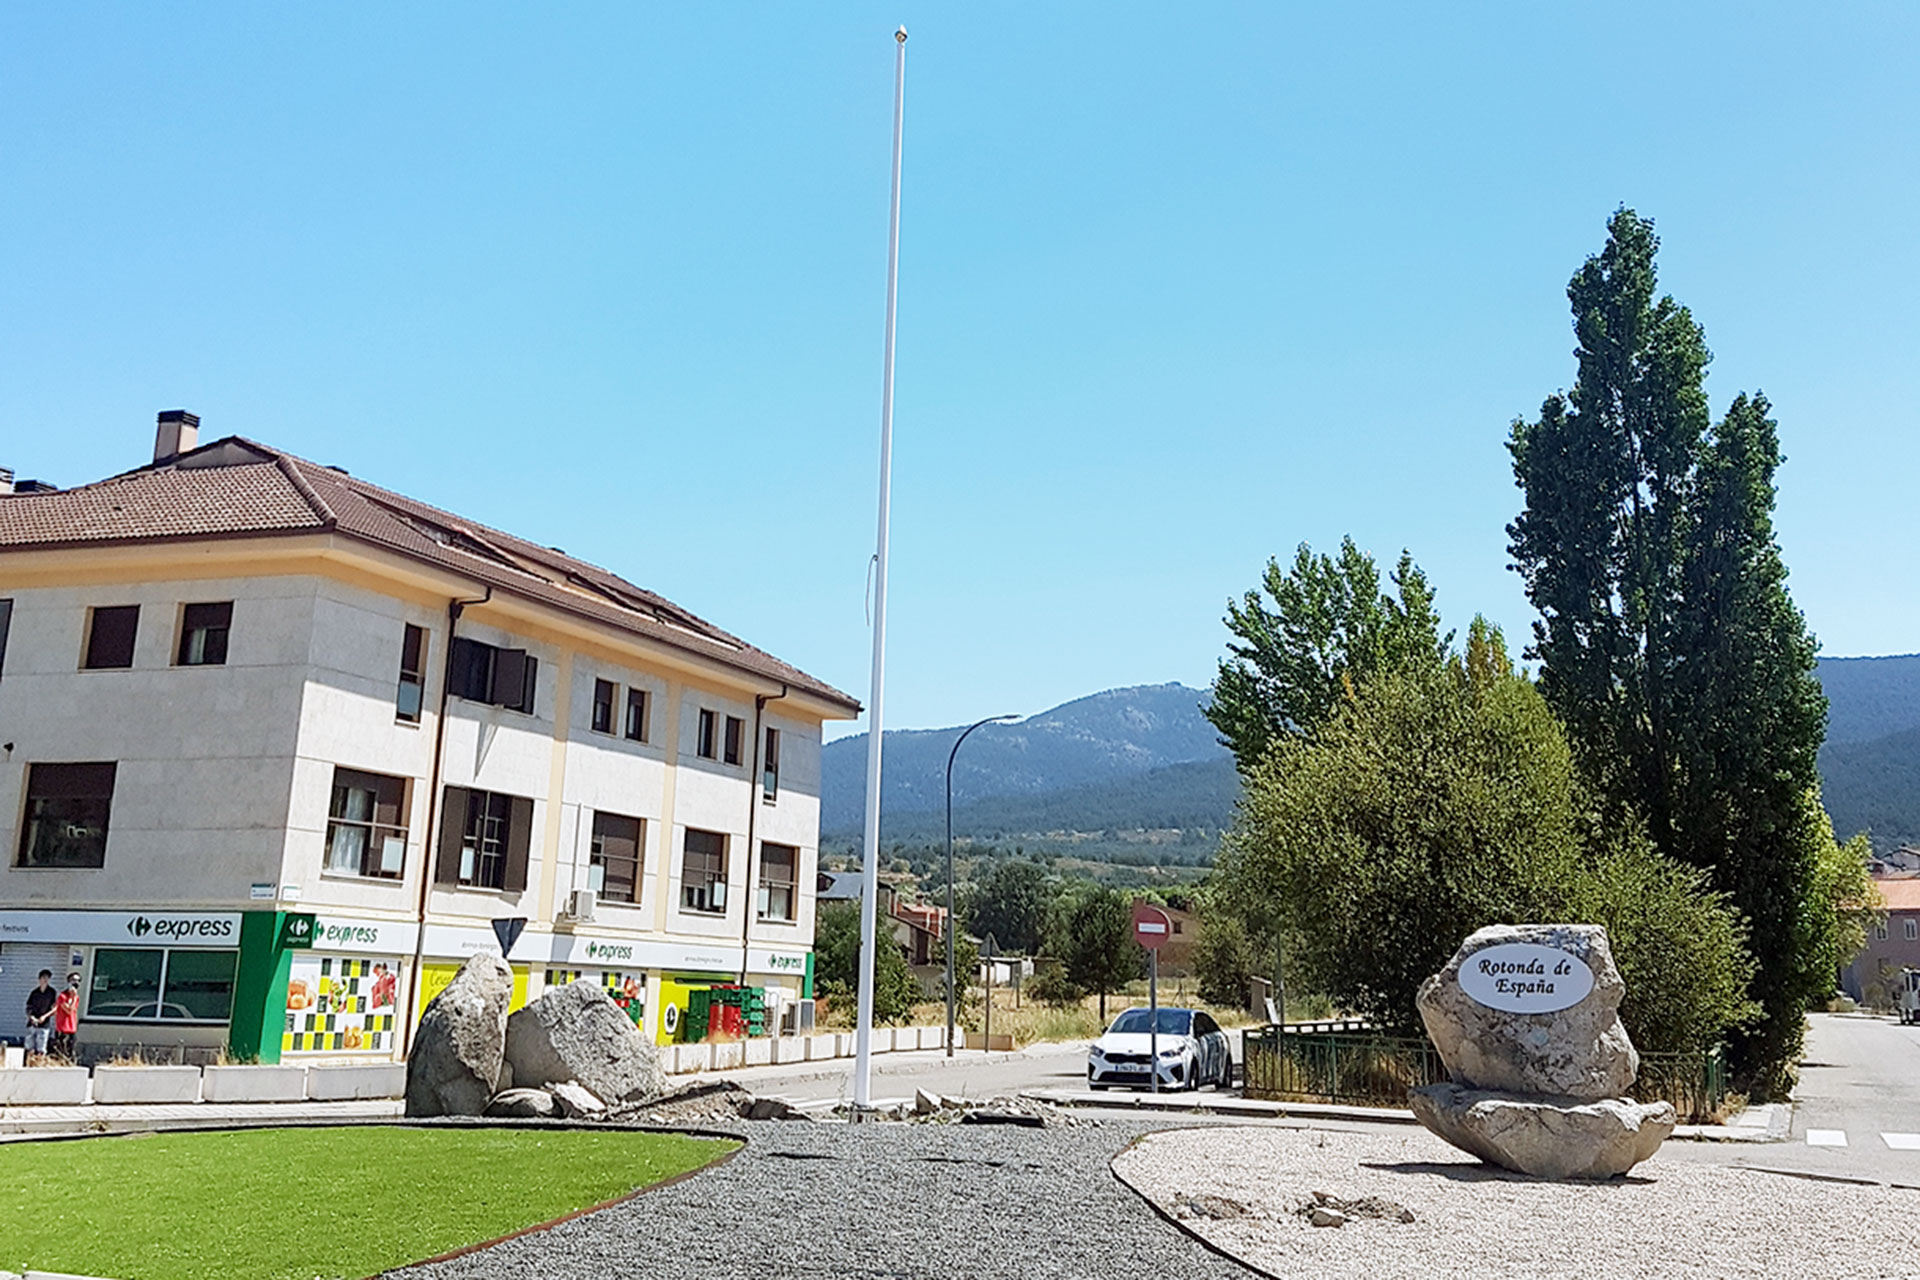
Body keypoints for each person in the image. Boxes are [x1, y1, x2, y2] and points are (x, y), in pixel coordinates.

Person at [23, 970, 56, 1066]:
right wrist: (31, 1017)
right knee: (29, 1046)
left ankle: (39, 1065)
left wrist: (44, 1017)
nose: (44, 980)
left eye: (47, 978)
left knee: (41, 1048)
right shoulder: (34, 993)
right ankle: (29, 1064)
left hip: (44, 1024)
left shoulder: (51, 993)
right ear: (39, 979)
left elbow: (54, 1008)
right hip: (32, 1023)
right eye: (43, 978)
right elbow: (28, 1007)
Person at [51, 973, 80, 1062]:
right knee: (61, 1051)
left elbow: (73, 1009)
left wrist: (74, 997)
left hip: (72, 1028)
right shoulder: (62, 996)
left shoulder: (76, 997)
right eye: (73, 980)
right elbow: (68, 1010)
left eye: (78, 980)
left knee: (70, 1051)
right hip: (62, 1028)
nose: (76, 982)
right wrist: (73, 997)